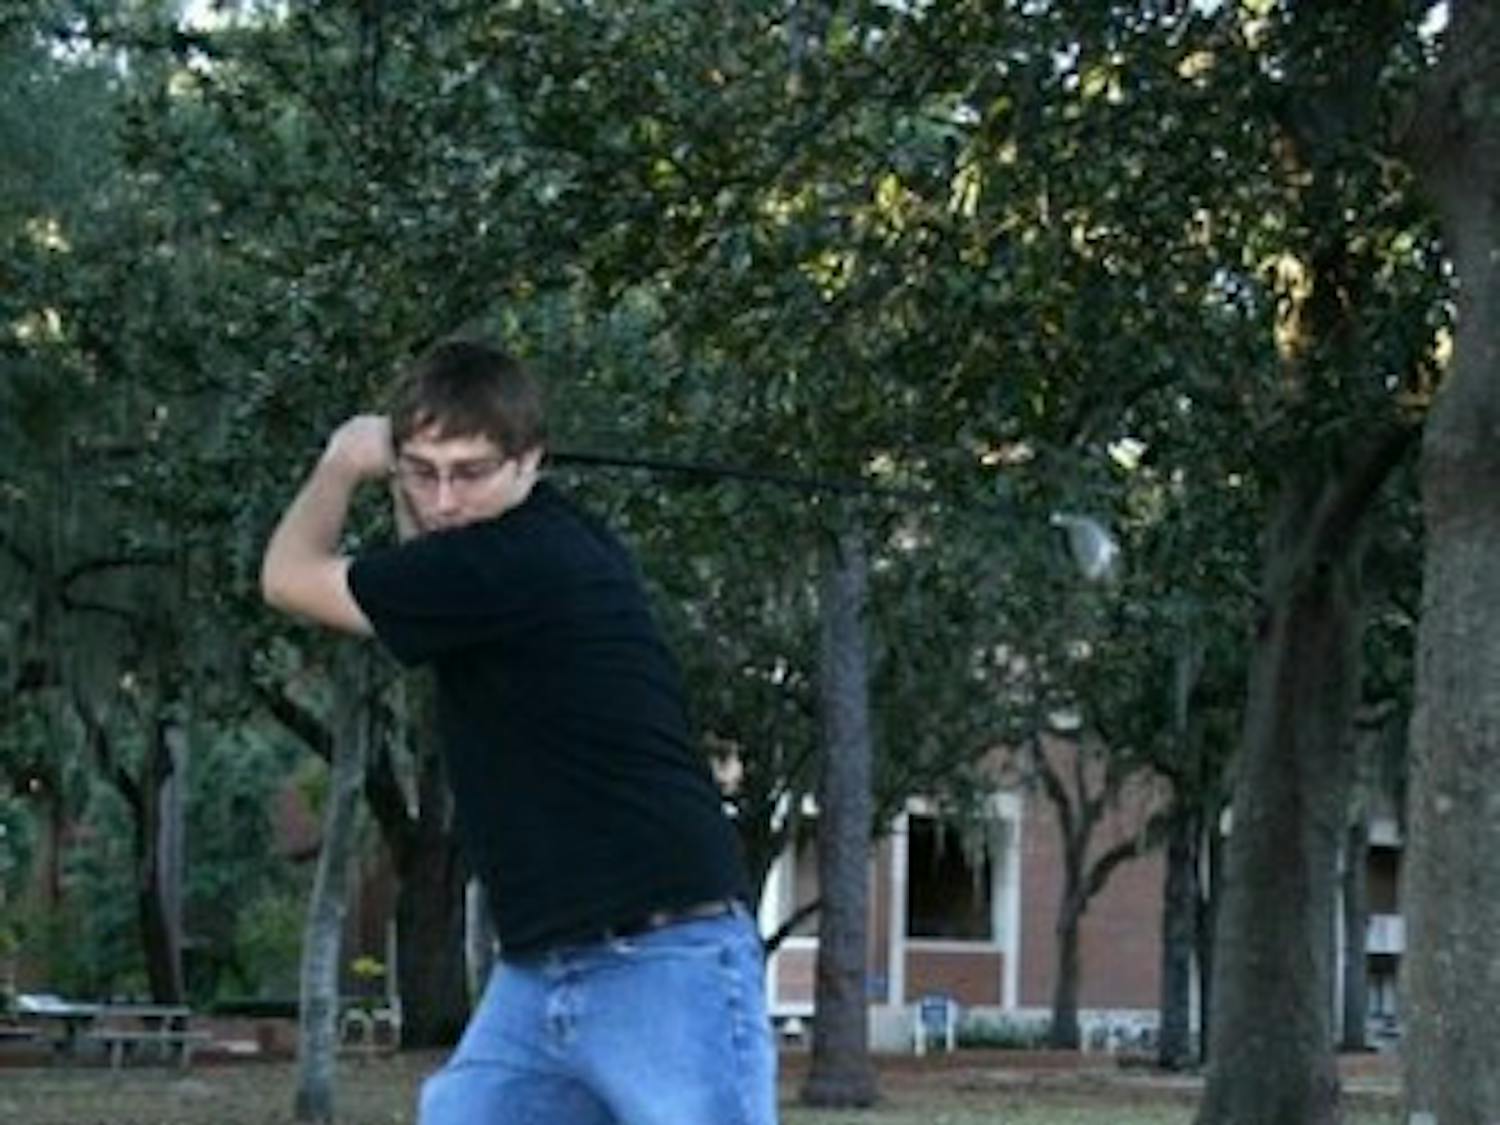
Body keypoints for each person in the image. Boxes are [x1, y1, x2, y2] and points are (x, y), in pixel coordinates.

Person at [260, 339, 777, 1125]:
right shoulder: (520, 547)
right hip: (543, 970)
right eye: (421, 472)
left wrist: (340, 465)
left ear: (529, 460)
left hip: (665, 963)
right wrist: (396, 478)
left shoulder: (512, 564)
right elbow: (421, 564)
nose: (441, 499)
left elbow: (288, 576)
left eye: (468, 472)